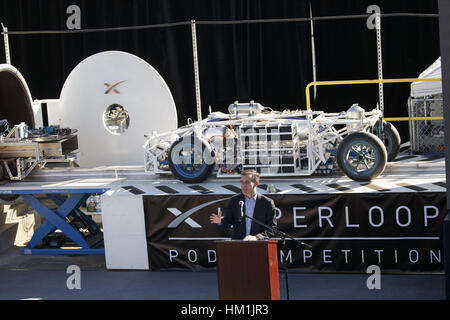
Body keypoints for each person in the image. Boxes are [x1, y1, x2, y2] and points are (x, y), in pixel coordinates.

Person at [209, 169, 277, 240]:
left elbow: (272, 229)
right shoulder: (234, 200)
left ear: (256, 183)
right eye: (242, 182)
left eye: (247, 182)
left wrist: (257, 237)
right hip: (238, 244)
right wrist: (220, 222)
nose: (243, 185)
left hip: (259, 245)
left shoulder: (267, 203)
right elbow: (227, 222)